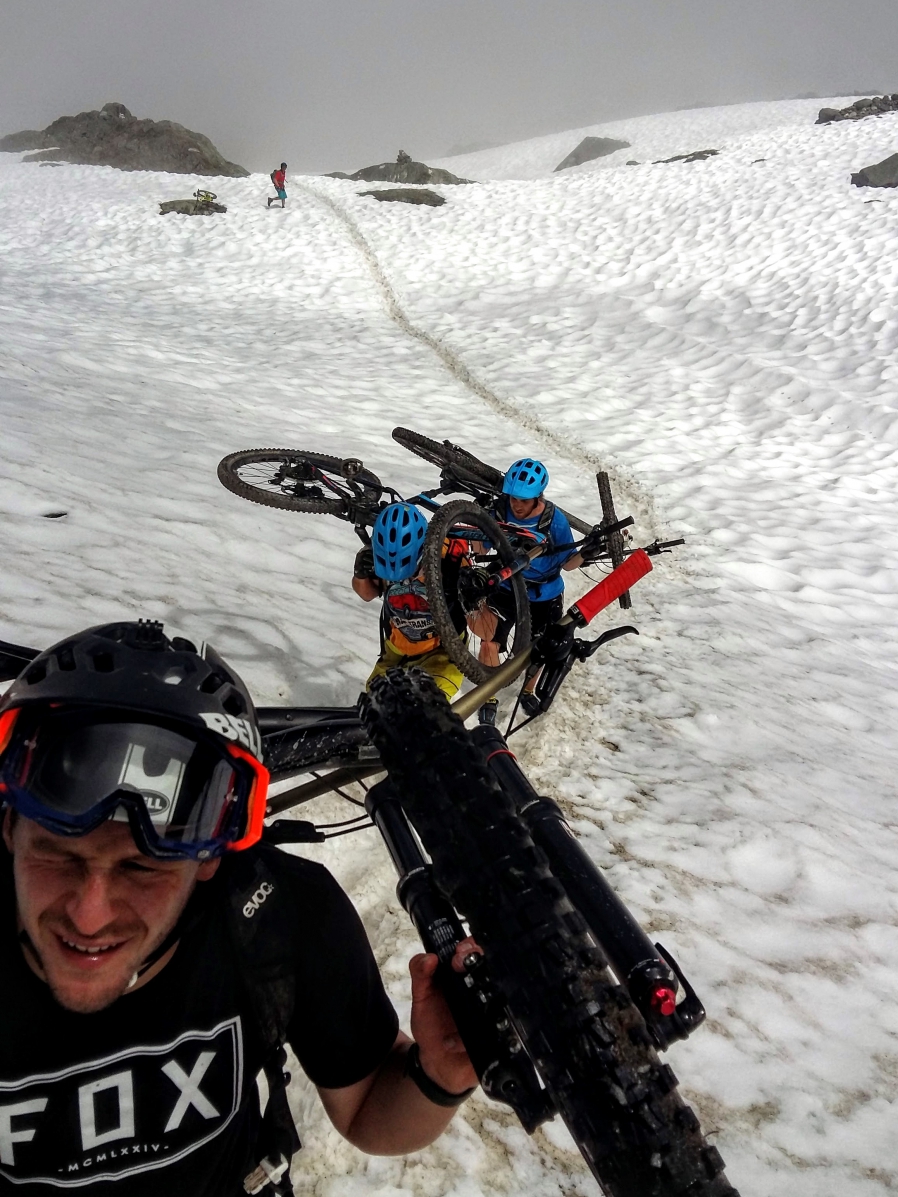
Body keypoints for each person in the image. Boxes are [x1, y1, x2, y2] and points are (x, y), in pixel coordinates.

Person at [0, 620, 478, 1196]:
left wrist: (442, 1073)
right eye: (58, 857)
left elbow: (368, 1107)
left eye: (140, 869)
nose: (90, 915)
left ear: (209, 861)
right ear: (9, 827)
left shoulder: (278, 915)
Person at [475, 458, 586, 724]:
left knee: (537, 649)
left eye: (524, 500)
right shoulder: (499, 511)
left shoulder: (553, 520)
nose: (517, 504)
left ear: (538, 497)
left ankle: (527, 689)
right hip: (506, 586)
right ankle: (486, 695)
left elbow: (568, 564)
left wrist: (588, 553)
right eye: (513, 498)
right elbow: (481, 550)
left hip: (544, 594)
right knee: (489, 640)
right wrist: (477, 524)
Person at [352, 503, 467, 699]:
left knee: (428, 708)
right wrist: (360, 574)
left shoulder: (449, 559)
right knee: (376, 707)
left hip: (441, 652)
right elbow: (367, 594)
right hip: (396, 648)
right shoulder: (378, 553)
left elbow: (480, 621)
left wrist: (469, 591)